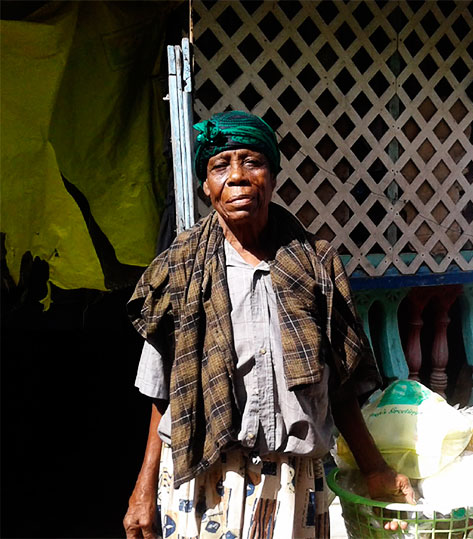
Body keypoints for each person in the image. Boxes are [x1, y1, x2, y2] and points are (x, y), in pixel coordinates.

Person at [123, 111, 414, 539]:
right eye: (221, 166)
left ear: (273, 177)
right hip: (204, 477)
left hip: (291, 482)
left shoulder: (315, 265)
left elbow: (340, 387)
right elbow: (164, 388)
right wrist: (143, 487)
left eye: (252, 162)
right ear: (206, 186)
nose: (237, 177)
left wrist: (376, 469)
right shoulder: (180, 269)